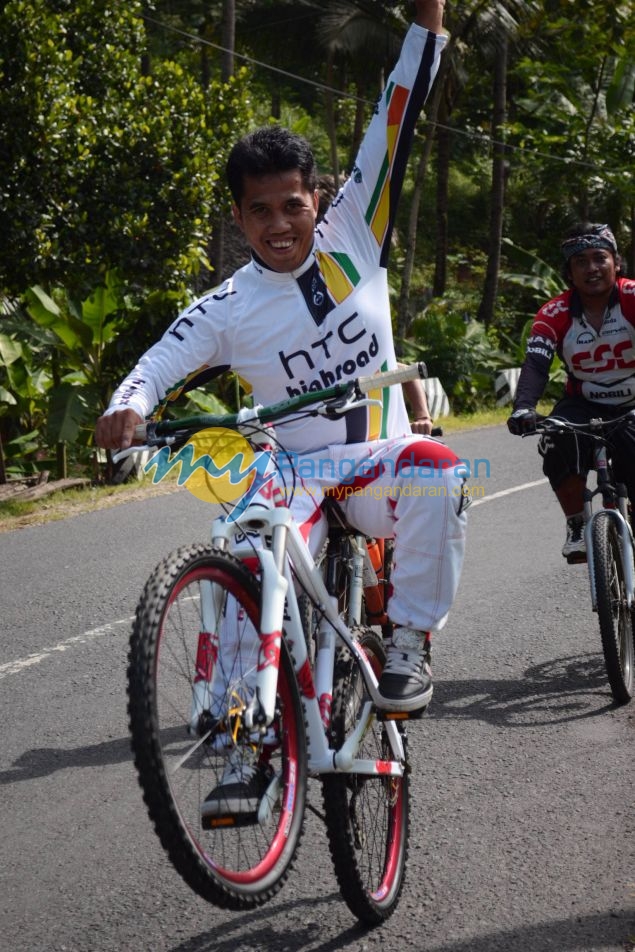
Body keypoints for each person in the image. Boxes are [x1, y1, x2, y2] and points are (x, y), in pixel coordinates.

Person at [97, 0, 467, 817]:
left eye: (291, 205)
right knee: (242, 551)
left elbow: (397, 112)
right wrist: (127, 406)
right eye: (257, 211)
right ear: (237, 217)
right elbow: (157, 363)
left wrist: (426, 24)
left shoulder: (357, 233)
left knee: (440, 468)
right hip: (294, 471)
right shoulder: (228, 305)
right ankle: (245, 742)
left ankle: (406, 641)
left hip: (376, 468)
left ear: (317, 197)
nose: (276, 225)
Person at [508, 222, 635, 562]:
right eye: (581, 261)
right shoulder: (555, 313)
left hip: (632, 403)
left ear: (616, 263)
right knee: (555, 438)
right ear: (569, 272)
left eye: (599, 258)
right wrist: (523, 408)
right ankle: (577, 523)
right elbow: (536, 364)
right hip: (584, 402)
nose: (591, 268)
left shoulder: (632, 297)